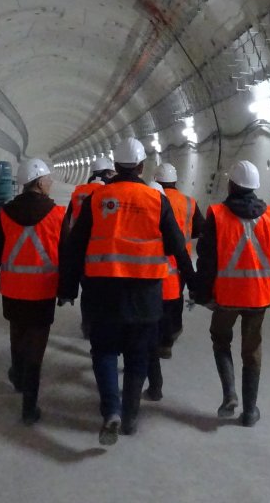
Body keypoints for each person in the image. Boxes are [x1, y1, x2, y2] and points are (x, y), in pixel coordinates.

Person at [59, 138, 193, 445]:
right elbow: (178, 248)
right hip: (145, 296)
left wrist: (67, 288)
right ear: (142, 166)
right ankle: (131, 415)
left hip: (103, 293)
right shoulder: (156, 200)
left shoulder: (98, 199)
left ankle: (112, 412)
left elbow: (75, 247)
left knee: (104, 352)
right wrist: (195, 285)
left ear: (115, 166)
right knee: (137, 357)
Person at [191, 159, 270, 427]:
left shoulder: (218, 215)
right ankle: (250, 412)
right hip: (258, 297)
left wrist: (203, 295)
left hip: (225, 297)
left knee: (221, 340)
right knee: (252, 351)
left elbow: (206, 261)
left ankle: (229, 394)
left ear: (232, 185)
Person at [0, 158, 65, 425]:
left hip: (13, 289)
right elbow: (68, 255)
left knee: (18, 335)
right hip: (43, 290)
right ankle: (29, 407)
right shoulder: (58, 214)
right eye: (48, 179)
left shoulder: (5, 213)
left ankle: (17, 377)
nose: (50, 182)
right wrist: (68, 289)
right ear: (39, 182)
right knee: (36, 347)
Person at [144, 162, 206, 402]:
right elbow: (200, 230)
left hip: (152, 262)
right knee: (173, 301)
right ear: (176, 180)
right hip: (180, 263)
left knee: (153, 304)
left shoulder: (151, 199)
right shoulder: (189, 202)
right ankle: (167, 341)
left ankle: (151, 344)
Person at [63, 155, 116, 339]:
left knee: (87, 288)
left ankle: (87, 324)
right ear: (108, 172)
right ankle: (102, 325)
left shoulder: (79, 191)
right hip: (100, 248)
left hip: (79, 247)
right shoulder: (109, 193)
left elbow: (69, 219)